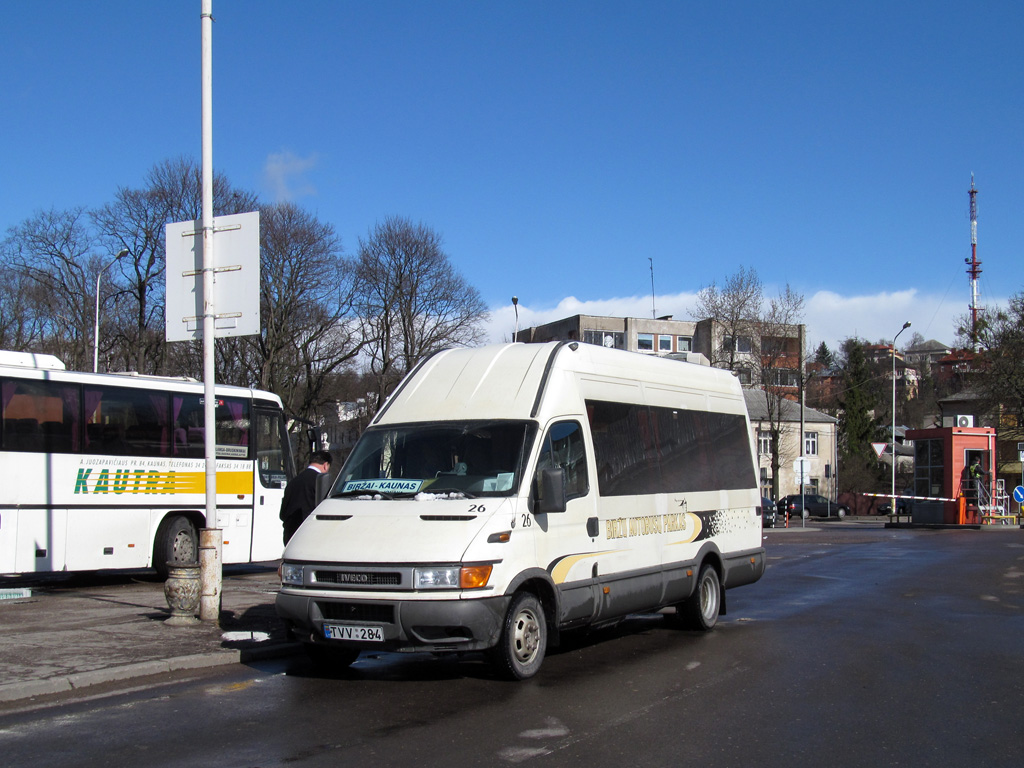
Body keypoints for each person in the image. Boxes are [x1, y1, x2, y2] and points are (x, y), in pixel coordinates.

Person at [280, 450, 332, 545]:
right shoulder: (321, 482)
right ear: (325, 465)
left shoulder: (293, 482)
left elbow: (283, 514)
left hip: (290, 536)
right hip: (310, 536)